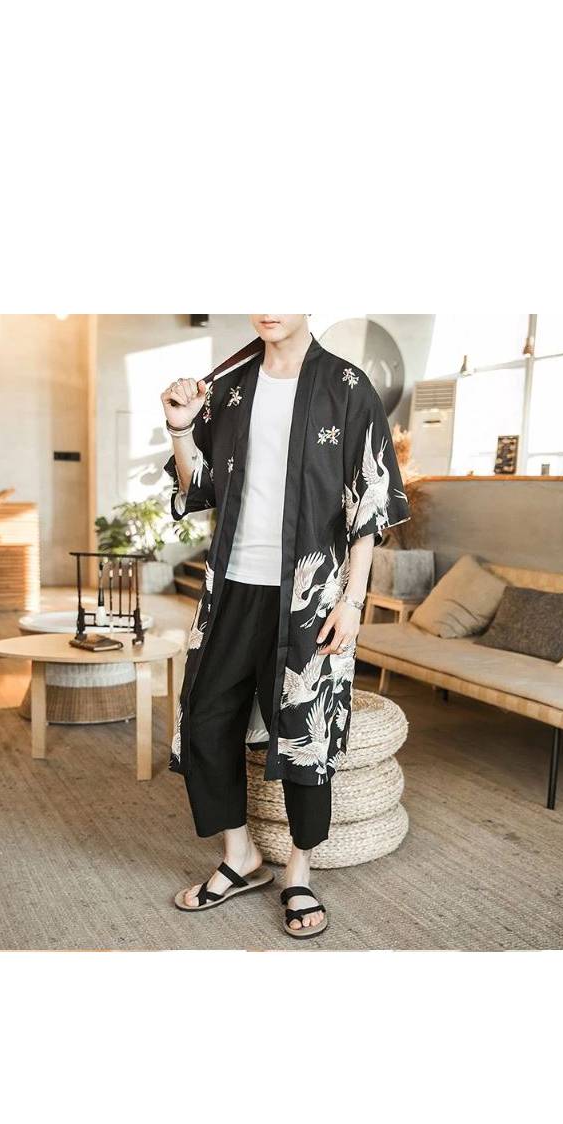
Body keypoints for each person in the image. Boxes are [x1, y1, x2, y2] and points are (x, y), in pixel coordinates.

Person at [162, 315, 407, 940]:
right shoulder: (229, 387)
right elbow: (199, 488)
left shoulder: (347, 386)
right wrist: (181, 428)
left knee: (304, 730)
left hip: (311, 594)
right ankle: (240, 856)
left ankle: (299, 872)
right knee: (205, 717)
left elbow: (369, 502)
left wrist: (353, 600)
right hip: (231, 587)